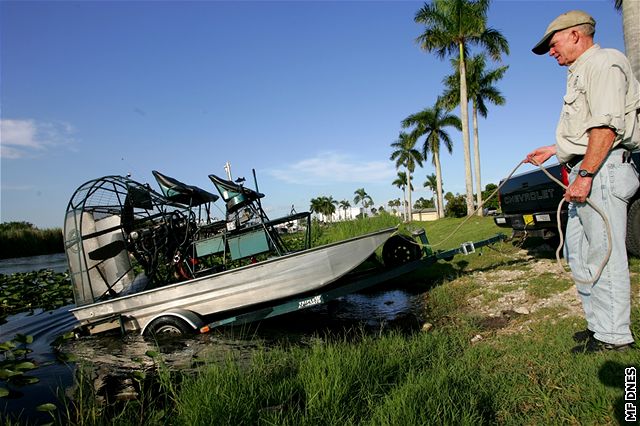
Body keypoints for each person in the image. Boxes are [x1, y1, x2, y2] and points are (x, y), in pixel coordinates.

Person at [525, 10, 640, 353]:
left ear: (575, 34)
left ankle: (615, 337)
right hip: (587, 170)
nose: (551, 51)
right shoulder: (581, 71)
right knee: (580, 254)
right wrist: (554, 149)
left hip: (601, 171)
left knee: (605, 255)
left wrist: (586, 174)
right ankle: (598, 327)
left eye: (553, 42)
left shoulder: (603, 63)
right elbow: (584, 130)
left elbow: (605, 127)